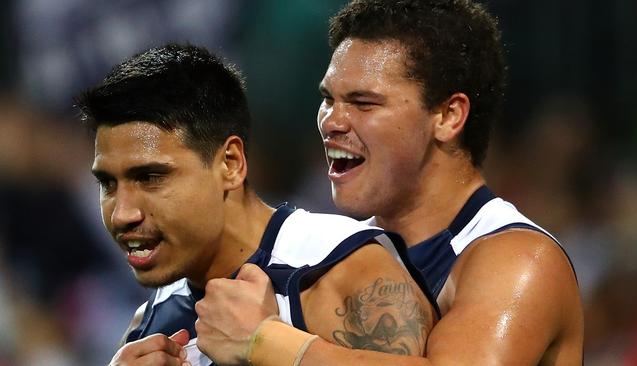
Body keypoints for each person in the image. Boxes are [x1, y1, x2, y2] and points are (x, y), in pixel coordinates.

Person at [199, 0, 584, 365]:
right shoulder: (332, 255)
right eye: (328, 99)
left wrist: (268, 342)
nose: (332, 122)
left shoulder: (520, 261)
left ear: (449, 116)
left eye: (364, 103)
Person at [75, 43, 435, 366]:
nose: (122, 213)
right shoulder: (150, 323)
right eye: (107, 183)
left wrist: (268, 346)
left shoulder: (339, 268)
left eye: (150, 178)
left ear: (230, 164)